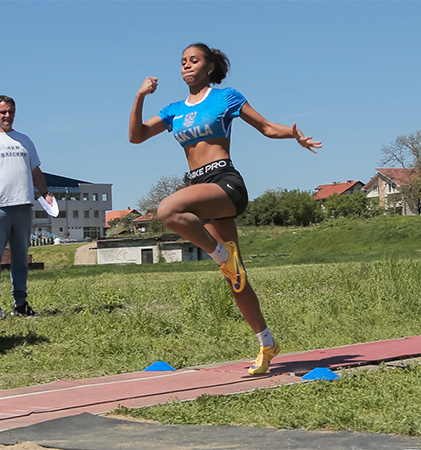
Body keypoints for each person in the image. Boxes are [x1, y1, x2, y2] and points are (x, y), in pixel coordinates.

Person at [128, 43, 322, 375]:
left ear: (210, 68)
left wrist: (293, 134)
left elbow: (265, 127)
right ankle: (266, 342)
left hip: (226, 184)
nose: (187, 66)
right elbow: (137, 136)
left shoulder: (225, 97)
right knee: (236, 277)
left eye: (195, 61)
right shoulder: (174, 110)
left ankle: (218, 253)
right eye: (183, 62)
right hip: (200, 190)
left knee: (167, 209)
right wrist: (140, 96)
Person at [0, 95, 53, 320]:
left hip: (23, 205)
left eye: (10, 112)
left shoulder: (25, 140)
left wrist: (44, 193)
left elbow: (35, 171)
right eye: (2, 112)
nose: (7, 116)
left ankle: (20, 302)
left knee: (20, 258)